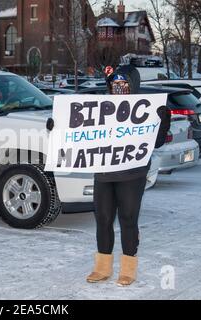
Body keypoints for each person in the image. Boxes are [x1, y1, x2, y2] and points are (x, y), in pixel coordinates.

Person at [46, 65, 171, 286]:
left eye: (124, 84)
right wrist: (57, 126)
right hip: (104, 173)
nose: (119, 88)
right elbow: (76, 132)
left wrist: (163, 123)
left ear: (133, 85)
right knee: (102, 219)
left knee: (127, 220)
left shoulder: (147, 108)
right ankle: (102, 267)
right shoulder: (100, 108)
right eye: (115, 84)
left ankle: (128, 268)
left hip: (132, 174)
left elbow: (158, 141)